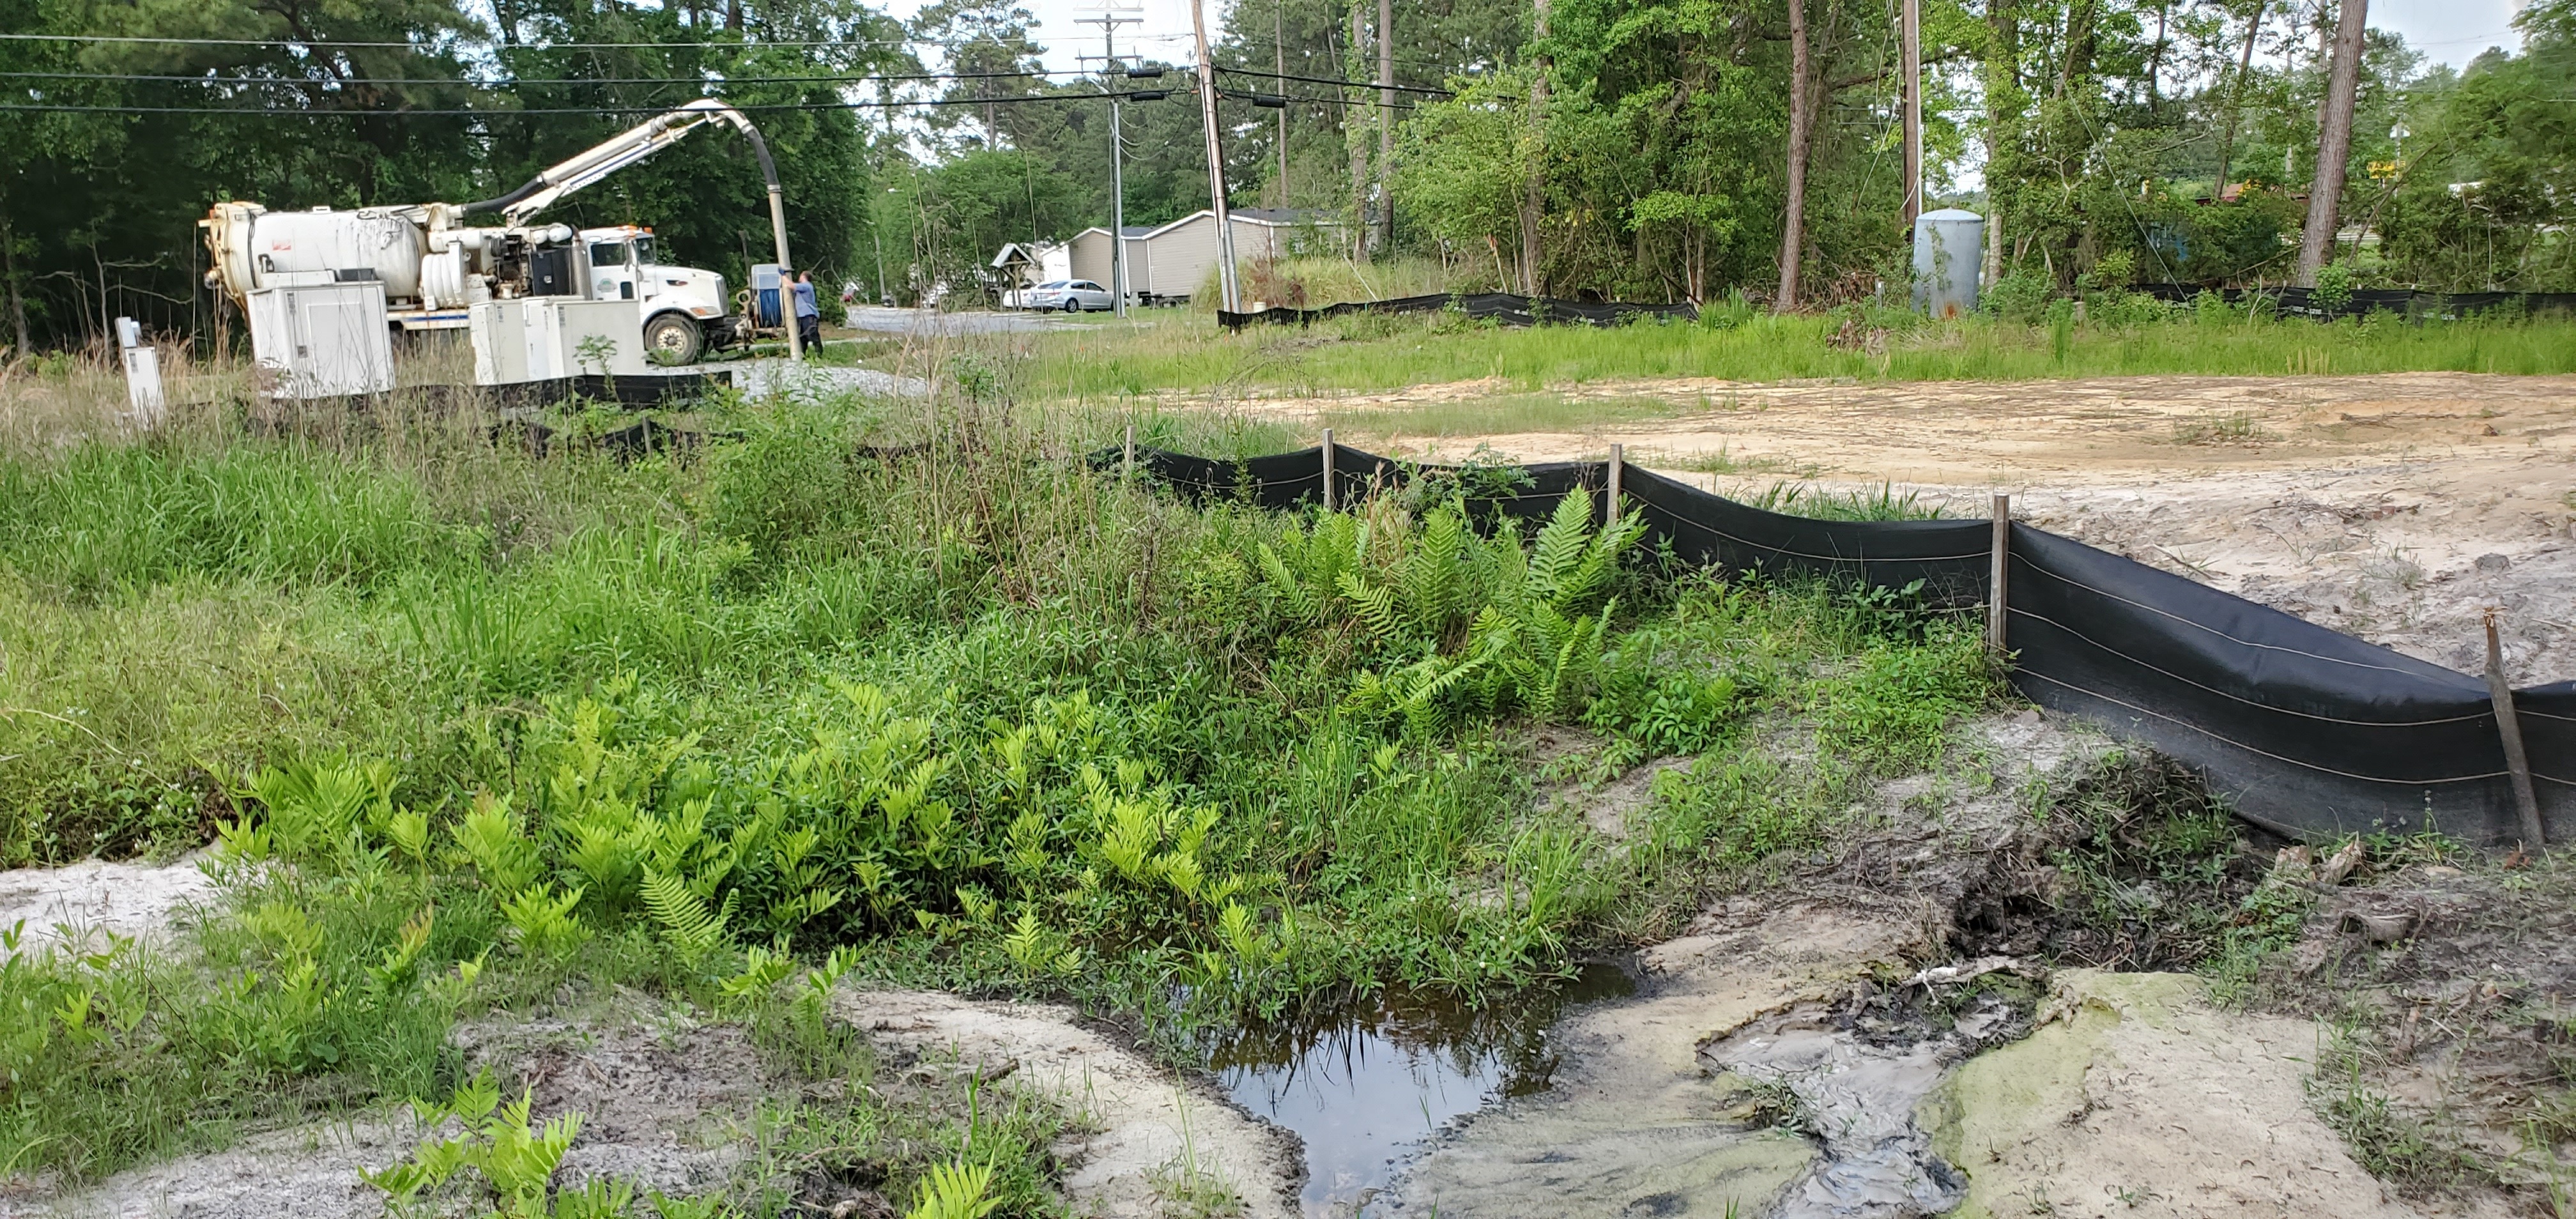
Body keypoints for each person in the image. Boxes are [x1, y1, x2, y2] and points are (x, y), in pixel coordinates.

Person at [792, 270, 822, 353]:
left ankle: (819, 354)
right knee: (803, 338)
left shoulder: (806, 286)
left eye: (801, 275)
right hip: (803, 316)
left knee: (812, 335)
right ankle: (803, 355)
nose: (799, 277)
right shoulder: (803, 287)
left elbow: (791, 285)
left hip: (809, 315)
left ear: (804, 276)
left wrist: (783, 276)